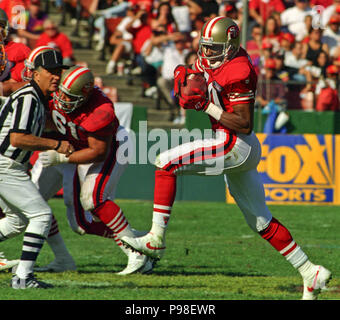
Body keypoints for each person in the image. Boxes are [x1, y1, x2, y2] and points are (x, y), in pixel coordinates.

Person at [121, 16, 332, 300]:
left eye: (213, 47)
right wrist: (185, 80)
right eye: (205, 46)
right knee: (261, 222)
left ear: (230, 47)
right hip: (234, 143)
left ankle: (155, 239)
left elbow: (243, 123)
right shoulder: (216, 60)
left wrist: (206, 104)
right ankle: (310, 272)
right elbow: (190, 79)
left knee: (165, 162)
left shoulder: (240, 69)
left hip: (236, 142)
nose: (206, 52)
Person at [36, 65, 153, 275]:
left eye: (69, 97)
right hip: (73, 145)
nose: (61, 99)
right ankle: (140, 239)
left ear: (85, 95)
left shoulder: (101, 109)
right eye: (61, 92)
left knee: (93, 199)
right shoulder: (55, 86)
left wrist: (60, 156)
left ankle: (137, 252)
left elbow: (98, 152)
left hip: (112, 146)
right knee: (80, 225)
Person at [0, 47, 72, 288]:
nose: (56, 76)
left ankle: (23, 275)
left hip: (9, 165)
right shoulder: (29, 96)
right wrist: (56, 144)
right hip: (5, 165)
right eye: (50, 71)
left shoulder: (36, 97)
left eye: (58, 71)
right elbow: (18, 139)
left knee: (17, 221)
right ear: (35, 73)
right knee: (41, 215)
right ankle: (23, 277)